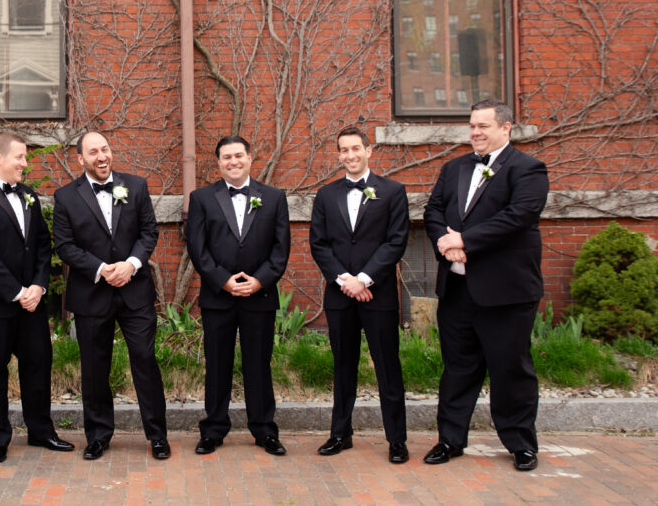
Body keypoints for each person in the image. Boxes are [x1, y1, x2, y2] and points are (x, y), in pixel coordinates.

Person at [423, 98, 549, 472]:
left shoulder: (528, 169)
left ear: (506, 128)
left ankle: (521, 444)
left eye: (484, 126)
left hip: (505, 294)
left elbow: (519, 216)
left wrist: (465, 241)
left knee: (511, 369)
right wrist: (446, 245)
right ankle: (450, 439)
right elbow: (433, 211)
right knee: (457, 368)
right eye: (472, 126)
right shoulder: (454, 168)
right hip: (458, 291)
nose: (476, 132)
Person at [52, 131, 169, 461]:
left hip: (135, 291)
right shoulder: (65, 197)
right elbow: (65, 246)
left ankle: (157, 435)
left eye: (105, 149)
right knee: (94, 367)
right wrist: (103, 269)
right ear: (81, 159)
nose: (101, 156)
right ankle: (98, 435)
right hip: (91, 293)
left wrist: (131, 265)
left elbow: (149, 232)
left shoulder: (136, 185)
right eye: (93, 152)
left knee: (145, 361)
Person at [0, 132, 74, 463]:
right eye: (20, 157)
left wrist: (38, 286)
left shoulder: (29, 196)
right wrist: (16, 291)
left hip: (32, 304)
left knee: (38, 364)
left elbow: (41, 244)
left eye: (25, 157)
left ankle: (41, 431)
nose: (25, 163)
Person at [309, 126, 410, 463]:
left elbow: (395, 242)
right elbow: (319, 244)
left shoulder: (393, 191)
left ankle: (396, 439)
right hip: (340, 296)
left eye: (356, 149)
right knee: (343, 366)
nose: (350, 155)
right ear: (338, 155)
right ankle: (340, 434)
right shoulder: (326, 195)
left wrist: (365, 279)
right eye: (343, 150)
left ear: (369, 150)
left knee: (387, 367)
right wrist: (345, 281)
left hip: (377, 295)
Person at [185, 135, 291, 456]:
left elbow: (281, 248)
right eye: (226, 157)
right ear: (218, 163)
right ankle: (213, 429)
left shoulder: (273, 198)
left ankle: (264, 430)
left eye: (238, 155)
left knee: (259, 363)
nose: (233, 161)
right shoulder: (202, 198)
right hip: (218, 297)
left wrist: (259, 282)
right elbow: (197, 248)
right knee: (217, 364)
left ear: (249, 158)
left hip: (259, 297)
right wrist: (223, 281)